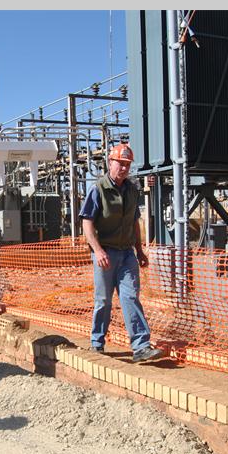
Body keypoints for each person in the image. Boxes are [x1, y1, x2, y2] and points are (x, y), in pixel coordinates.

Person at [79, 143, 163, 363]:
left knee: (130, 297)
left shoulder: (132, 190)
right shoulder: (98, 189)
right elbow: (87, 222)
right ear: (110, 162)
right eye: (120, 164)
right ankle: (97, 342)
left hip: (127, 254)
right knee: (103, 300)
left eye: (127, 164)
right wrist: (98, 251)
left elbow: (134, 222)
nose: (124, 168)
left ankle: (141, 346)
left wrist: (139, 250)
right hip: (105, 254)